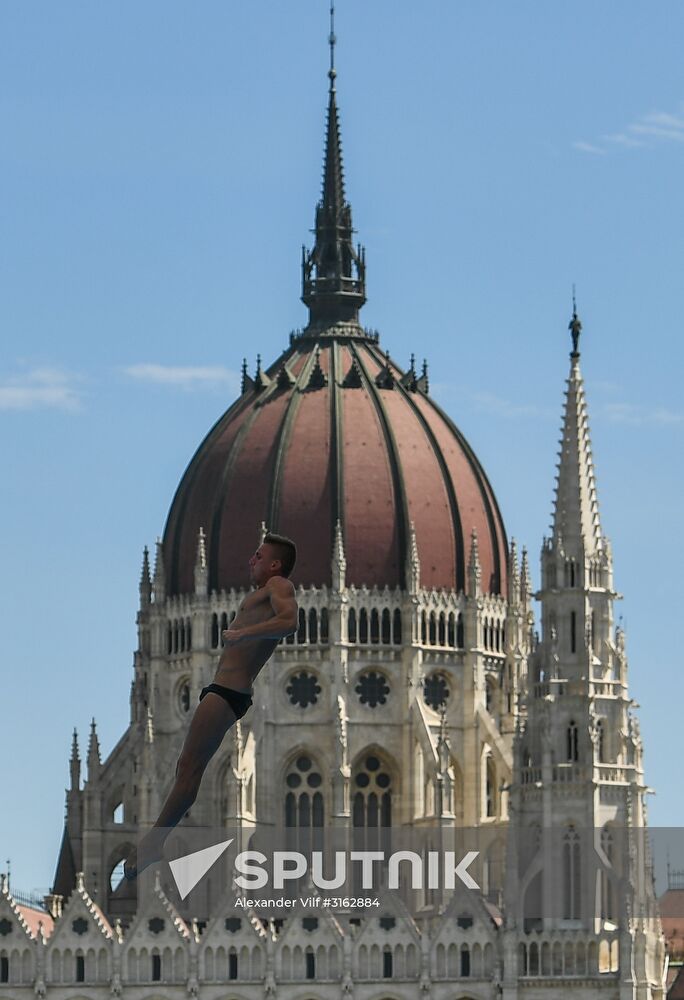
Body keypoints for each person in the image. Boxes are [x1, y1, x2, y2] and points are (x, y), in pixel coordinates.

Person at [124, 532, 298, 879]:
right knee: (187, 768)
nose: (252, 560)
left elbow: (290, 623)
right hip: (224, 689)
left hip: (226, 690)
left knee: (188, 768)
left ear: (276, 564)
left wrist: (245, 634)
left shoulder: (279, 588)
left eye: (259, 556)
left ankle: (155, 842)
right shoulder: (261, 593)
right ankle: (156, 840)